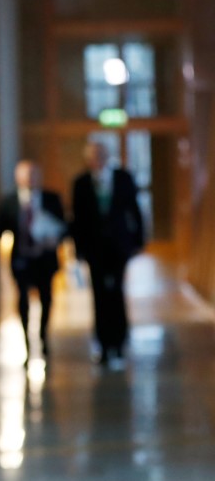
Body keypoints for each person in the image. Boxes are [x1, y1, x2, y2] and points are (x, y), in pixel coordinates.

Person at [72, 141, 143, 364]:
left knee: (117, 294)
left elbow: (134, 210)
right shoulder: (81, 183)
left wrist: (137, 242)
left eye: (101, 155)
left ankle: (120, 342)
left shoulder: (123, 178)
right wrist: (79, 249)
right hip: (95, 248)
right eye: (94, 155)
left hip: (119, 247)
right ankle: (103, 344)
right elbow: (77, 220)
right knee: (100, 296)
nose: (98, 159)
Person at [0, 160, 65, 365]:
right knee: (22, 299)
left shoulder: (51, 199)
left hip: (44, 258)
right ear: (18, 178)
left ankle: (43, 336)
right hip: (22, 258)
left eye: (34, 174)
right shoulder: (9, 202)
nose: (30, 179)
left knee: (46, 298)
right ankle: (26, 342)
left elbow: (64, 227)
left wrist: (55, 238)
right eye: (26, 175)